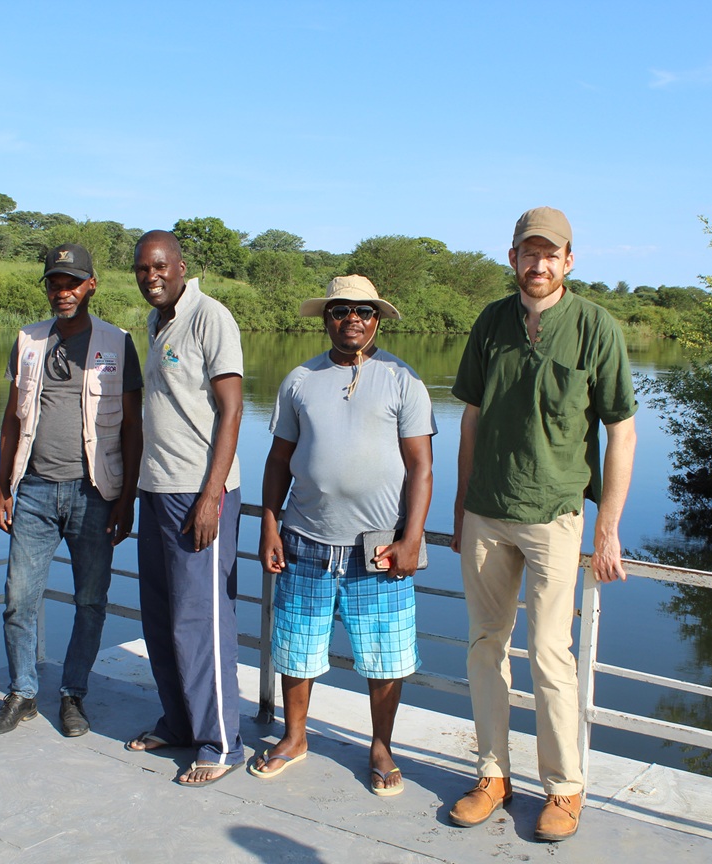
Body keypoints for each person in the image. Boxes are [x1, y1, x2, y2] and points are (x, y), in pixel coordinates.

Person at [447, 207, 637, 841]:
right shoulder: (491, 323)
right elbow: (471, 417)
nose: (539, 264)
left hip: (556, 516)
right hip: (485, 513)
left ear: (569, 261)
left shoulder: (593, 327)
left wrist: (606, 526)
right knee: (485, 646)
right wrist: (460, 503)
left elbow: (622, 430)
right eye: (529, 253)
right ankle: (492, 774)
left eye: (550, 254)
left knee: (552, 655)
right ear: (512, 258)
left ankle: (564, 789)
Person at [253, 275, 435, 796]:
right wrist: (270, 524)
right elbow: (279, 459)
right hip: (305, 538)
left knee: (386, 654)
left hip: (378, 545)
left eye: (363, 311)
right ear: (325, 318)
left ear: (377, 318)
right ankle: (294, 737)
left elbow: (421, 467)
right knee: (296, 647)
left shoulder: (404, 380)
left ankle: (381, 746)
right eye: (340, 311)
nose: (351, 319)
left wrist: (412, 539)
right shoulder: (299, 381)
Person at [0, 244, 142, 738]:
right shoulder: (28, 340)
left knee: (90, 601)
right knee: (18, 599)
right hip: (32, 492)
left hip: (94, 494)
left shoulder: (117, 343)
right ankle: (23, 692)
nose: (63, 292)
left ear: (91, 285)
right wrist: (5, 485)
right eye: (55, 283)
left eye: (73, 282)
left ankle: (73, 694)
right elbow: (11, 418)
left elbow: (133, 428)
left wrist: (126, 498)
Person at [123, 230, 246, 786]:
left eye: (159, 267)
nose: (151, 277)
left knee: (202, 620)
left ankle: (220, 741)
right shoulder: (157, 323)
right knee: (161, 616)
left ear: (180, 266)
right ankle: (178, 721)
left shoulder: (208, 316)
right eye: (142, 270)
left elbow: (232, 408)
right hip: (157, 489)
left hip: (199, 494)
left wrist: (211, 496)